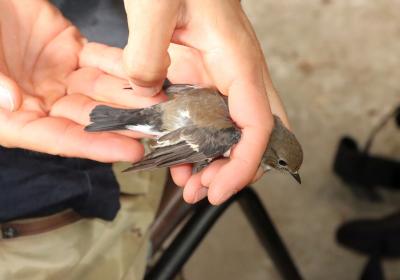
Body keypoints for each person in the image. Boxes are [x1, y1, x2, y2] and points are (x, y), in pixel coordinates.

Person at [0, 0, 289, 279]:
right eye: (282, 163)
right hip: (156, 114)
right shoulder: (232, 134)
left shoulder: (240, 122)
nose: (283, 168)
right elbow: (186, 142)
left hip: (133, 76)